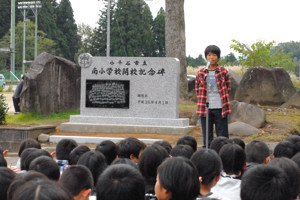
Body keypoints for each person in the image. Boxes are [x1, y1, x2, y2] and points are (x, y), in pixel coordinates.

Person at [195, 45, 231, 148]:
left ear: (218, 57)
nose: (211, 57)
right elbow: (197, 89)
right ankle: (208, 151)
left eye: (214, 55)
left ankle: (224, 150)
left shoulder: (223, 71)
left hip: (220, 107)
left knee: (222, 132)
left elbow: (228, 87)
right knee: (207, 132)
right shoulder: (201, 72)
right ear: (206, 57)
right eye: (209, 55)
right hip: (205, 107)